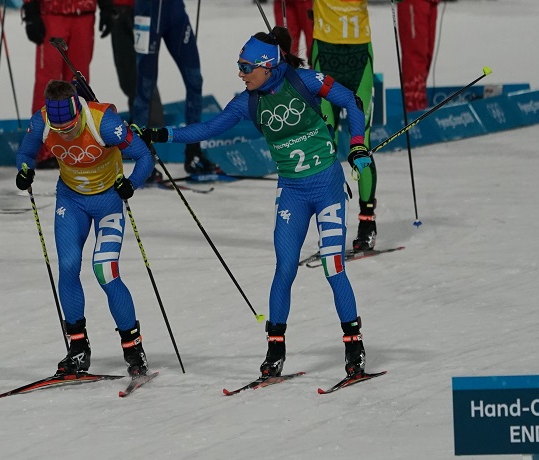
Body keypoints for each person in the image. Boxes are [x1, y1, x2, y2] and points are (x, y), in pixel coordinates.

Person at [140, 27, 374, 379]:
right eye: (239, 66)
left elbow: (352, 102)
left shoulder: (305, 81)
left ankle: (354, 346)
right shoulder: (247, 102)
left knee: (333, 266)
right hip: (292, 193)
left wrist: (357, 144)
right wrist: (162, 134)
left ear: (267, 66)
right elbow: (207, 130)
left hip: (326, 186)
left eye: (246, 67)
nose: (240, 73)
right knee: (284, 268)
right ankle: (275, 350)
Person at [14, 80, 154, 377]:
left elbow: (143, 156)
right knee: (68, 266)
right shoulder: (42, 121)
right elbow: (26, 153)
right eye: (59, 129)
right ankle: (78, 349)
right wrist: (25, 171)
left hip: (108, 202)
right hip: (71, 200)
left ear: (79, 111)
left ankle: (133, 348)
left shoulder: (103, 121)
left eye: (70, 127)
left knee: (105, 271)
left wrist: (131, 183)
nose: (66, 133)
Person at [312, 0, 377, 251]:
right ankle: (330, 225)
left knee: (361, 143)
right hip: (326, 56)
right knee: (326, 143)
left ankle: (367, 221)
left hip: (358, 59)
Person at [133, 0, 219, 175]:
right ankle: (141, 158)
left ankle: (193, 151)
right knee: (145, 87)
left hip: (175, 11)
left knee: (195, 80)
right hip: (148, 12)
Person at [21, 0, 110, 167]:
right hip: (52, 13)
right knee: (47, 82)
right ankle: (45, 149)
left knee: (78, 81)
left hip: (84, 13)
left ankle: (77, 145)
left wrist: (107, 5)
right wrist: (31, 8)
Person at [99, 0, 165, 128]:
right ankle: (139, 120)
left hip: (143, 11)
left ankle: (153, 126)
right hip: (117, 11)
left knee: (143, 71)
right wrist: (105, 7)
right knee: (126, 74)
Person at [397, 0, 440, 112]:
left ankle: (419, 101)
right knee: (415, 56)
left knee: (427, 55)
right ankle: (413, 106)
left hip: (431, 3)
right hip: (413, 3)